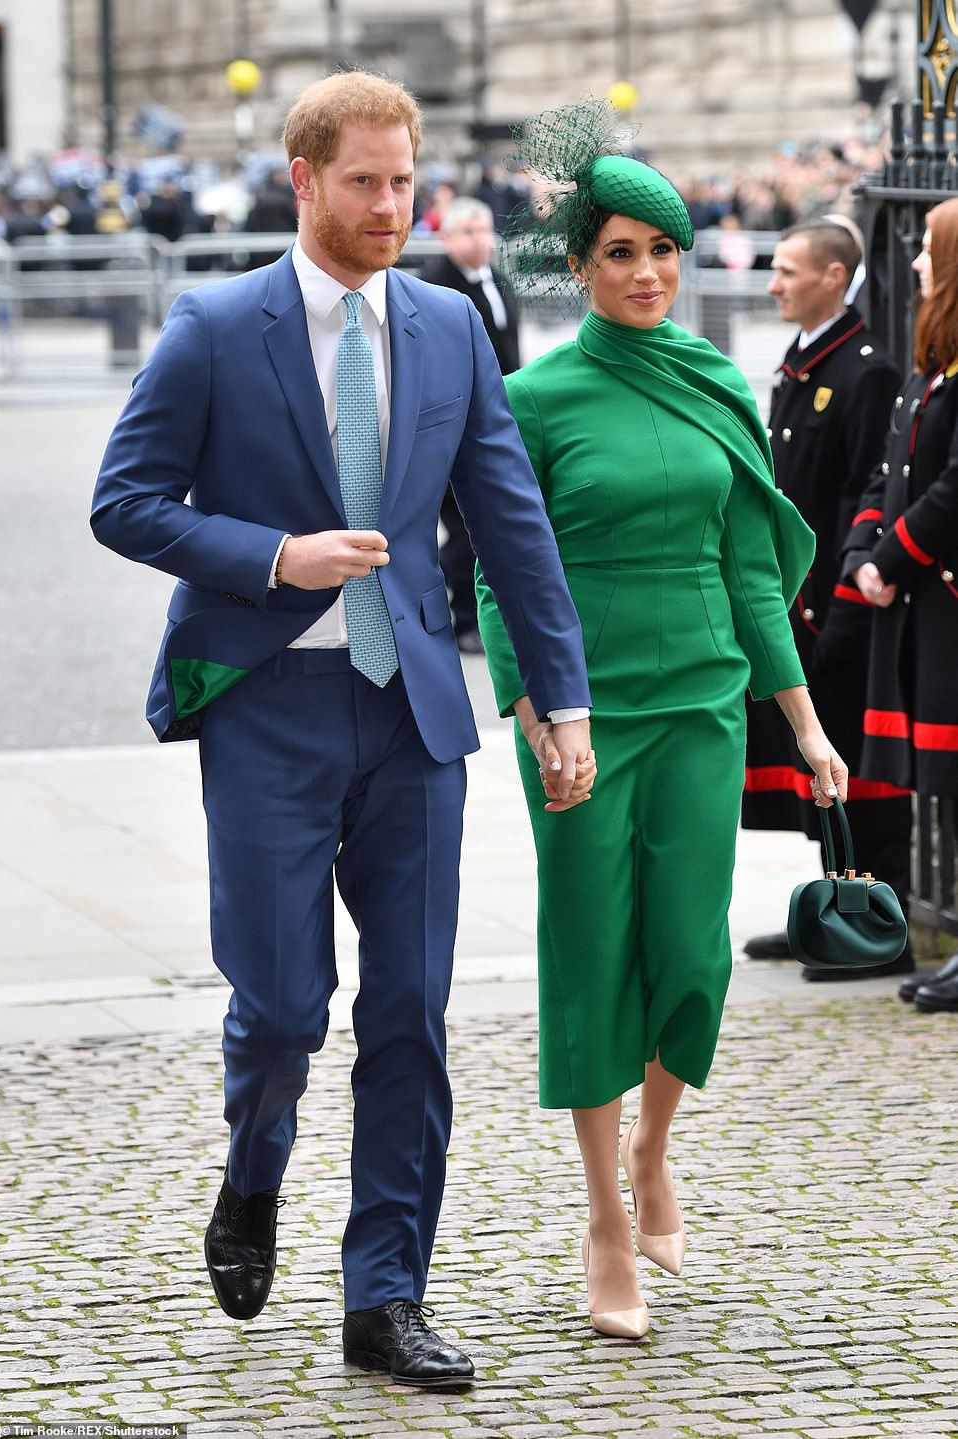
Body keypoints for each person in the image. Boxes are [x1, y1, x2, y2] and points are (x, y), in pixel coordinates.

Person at [90, 71, 594, 1388]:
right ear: (304, 179)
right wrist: (275, 555)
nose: (391, 205)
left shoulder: (445, 326)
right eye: (364, 181)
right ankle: (252, 1169)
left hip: (414, 715)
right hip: (267, 708)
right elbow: (125, 500)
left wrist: (558, 695)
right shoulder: (213, 326)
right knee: (282, 1008)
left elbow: (509, 521)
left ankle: (386, 1295)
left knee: (411, 1015)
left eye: (405, 180)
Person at [476, 102, 847, 1340]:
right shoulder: (531, 397)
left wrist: (799, 720)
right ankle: (598, 1214)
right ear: (577, 263)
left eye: (665, 250)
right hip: (581, 720)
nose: (647, 273)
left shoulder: (711, 382)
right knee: (592, 951)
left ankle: (653, 1151)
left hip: (701, 705)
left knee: (688, 957)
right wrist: (536, 712)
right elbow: (495, 572)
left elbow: (749, 570)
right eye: (621, 251)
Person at [741, 219, 913, 980]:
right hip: (800, 598)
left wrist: (834, 603)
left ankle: (879, 918)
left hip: (838, 601)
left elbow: (860, 495)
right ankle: (833, 903)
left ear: (834, 277)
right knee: (822, 764)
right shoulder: (804, 360)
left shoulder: (865, 369)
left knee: (858, 760)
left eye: (787, 270)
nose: (773, 284)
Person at [843, 196, 958, 1015]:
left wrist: (894, 556)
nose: (914, 261)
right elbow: (893, 472)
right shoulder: (931, 368)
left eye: (928, 248)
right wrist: (863, 556)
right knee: (946, 790)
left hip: (943, 602)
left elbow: (954, 489)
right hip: (920, 610)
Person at [419, 197, 521, 651]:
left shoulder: (496, 278)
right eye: (468, 232)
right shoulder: (436, 286)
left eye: (484, 231)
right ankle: (463, 619)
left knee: (480, 523)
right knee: (462, 524)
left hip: (494, 418)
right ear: (447, 238)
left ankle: (458, 595)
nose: (479, 240)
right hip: (453, 424)